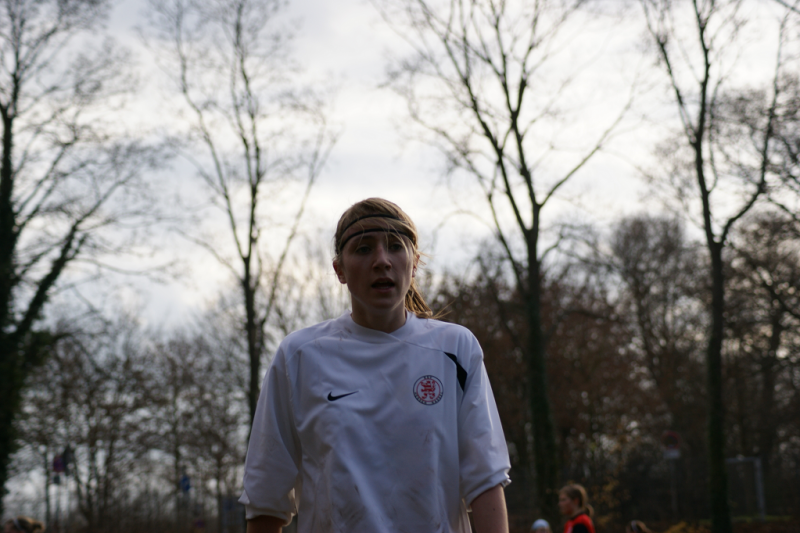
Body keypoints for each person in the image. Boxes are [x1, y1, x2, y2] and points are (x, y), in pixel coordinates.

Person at [239, 198, 511, 533]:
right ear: (339, 270)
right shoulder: (298, 356)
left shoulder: (456, 348)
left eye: (395, 246)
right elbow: (266, 499)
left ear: (414, 263)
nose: (382, 260)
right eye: (364, 248)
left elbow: (485, 481)